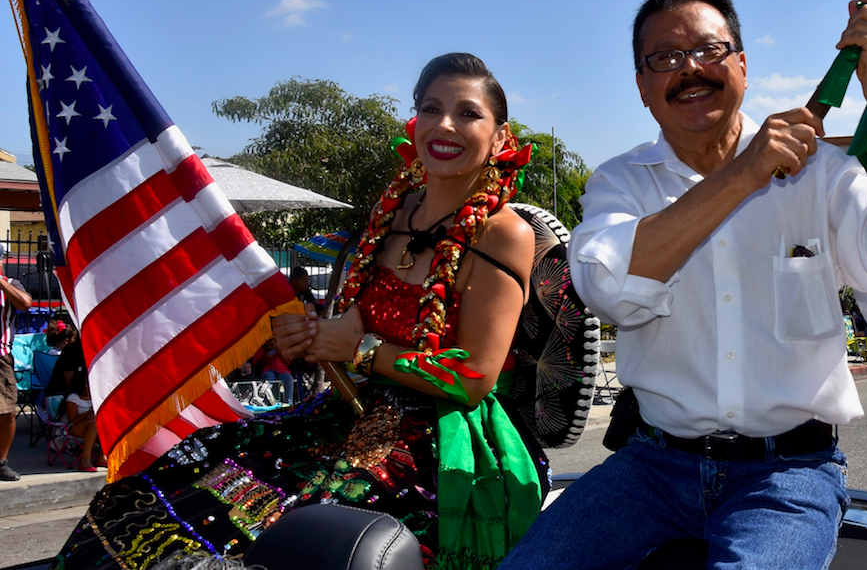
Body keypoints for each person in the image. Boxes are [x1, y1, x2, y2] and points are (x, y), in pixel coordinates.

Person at [502, 0, 867, 569]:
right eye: (664, 57)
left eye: (709, 50)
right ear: (642, 87)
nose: (689, 69)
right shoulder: (620, 184)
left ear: (742, 62)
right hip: (651, 468)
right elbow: (609, 292)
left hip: (789, 475)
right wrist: (744, 175)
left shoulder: (821, 175)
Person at [54, 53, 545, 569]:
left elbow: (473, 379)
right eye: (431, 108)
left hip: (445, 438)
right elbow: (356, 322)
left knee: (300, 529)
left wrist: (358, 350)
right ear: (415, 122)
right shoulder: (394, 209)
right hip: (349, 411)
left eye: (468, 113)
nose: (445, 125)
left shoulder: (504, 233)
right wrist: (311, 336)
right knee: (174, 482)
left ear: (500, 137)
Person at [0, 241, 33, 482]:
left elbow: (24, 303)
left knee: (6, 413)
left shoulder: (11, 284)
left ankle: (1, 462)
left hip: (0, 358)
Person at [63, 371, 106, 472]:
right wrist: (89, 412)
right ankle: (85, 459)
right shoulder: (73, 398)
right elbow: (73, 420)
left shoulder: (94, 397)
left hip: (92, 427)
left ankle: (102, 455)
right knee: (94, 422)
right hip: (74, 427)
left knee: (104, 420)